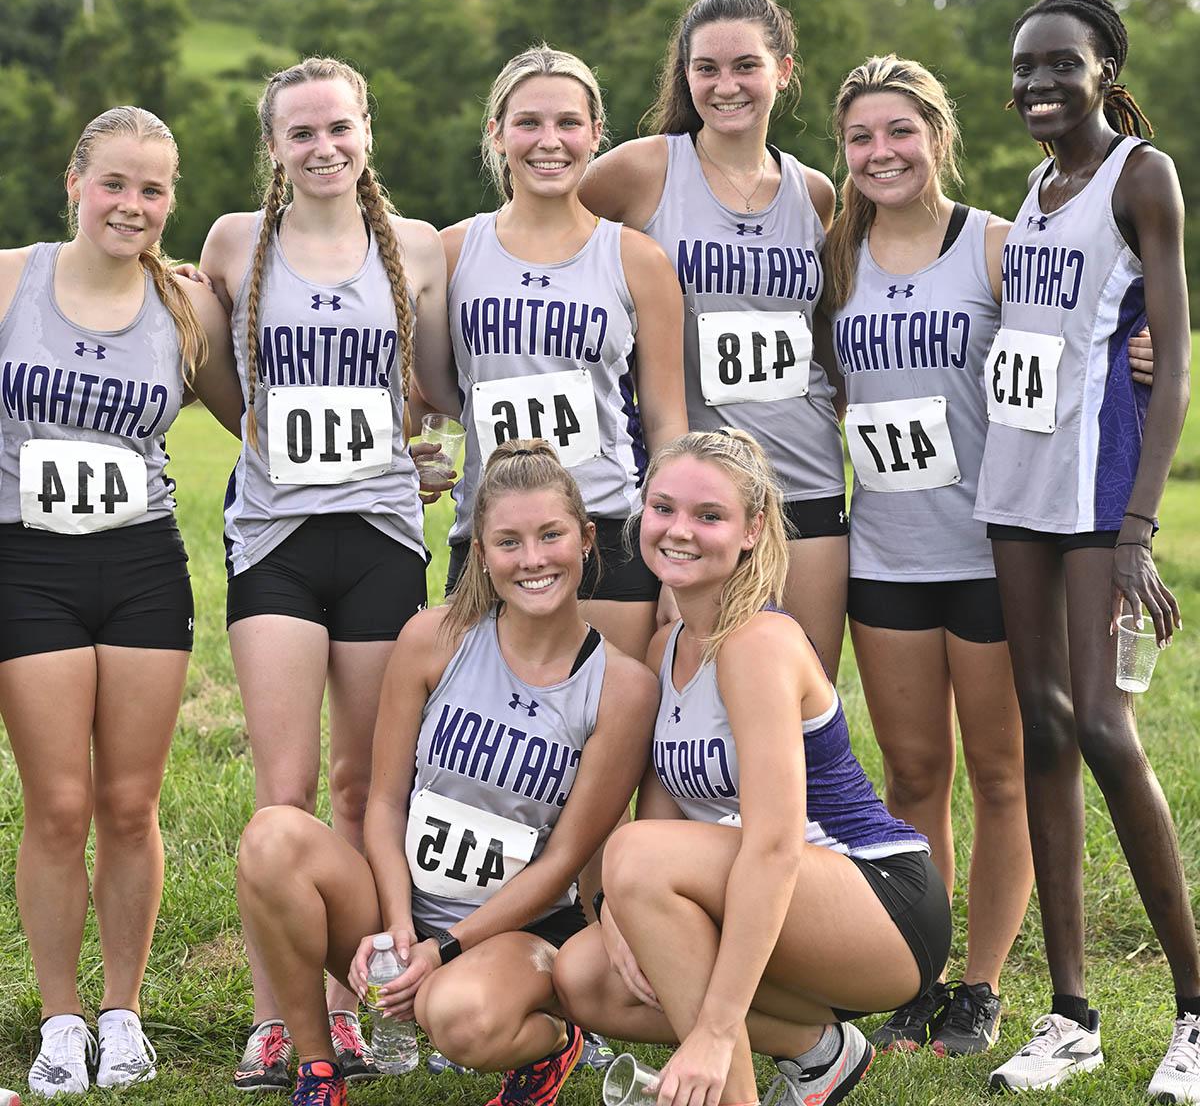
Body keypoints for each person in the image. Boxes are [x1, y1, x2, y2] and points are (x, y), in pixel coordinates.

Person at [236, 439, 659, 1106]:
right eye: (509, 542)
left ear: (585, 538)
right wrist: (401, 928)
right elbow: (384, 803)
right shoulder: (434, 640)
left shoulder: (624, 689)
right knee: (271, 837)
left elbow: (564, 864)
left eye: (550, 536)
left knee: (459, 1019)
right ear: (482, 554)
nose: (532, 560)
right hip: (406, 906)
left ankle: (553, 1045)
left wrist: (448, 949)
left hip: (518, 929)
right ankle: (319, 1067)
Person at [553, 429, 952, 1106]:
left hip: (879, 902)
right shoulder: (664, 648)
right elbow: (663, 826)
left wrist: (713, 1028)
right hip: (777, 900)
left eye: (709, 516)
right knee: (586, 975)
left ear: (751, 530)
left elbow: (771, 848)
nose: (680, 531)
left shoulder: (759, 644)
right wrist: (624, 920)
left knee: (638, 860)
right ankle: (818, 1053)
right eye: (664, 509)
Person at [198, 56, 451, 1090]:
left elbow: (429, 387)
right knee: (283, 792)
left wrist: (418, 450)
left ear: (367, 132)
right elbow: (216, 371)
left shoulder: (418, 247)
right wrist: (261, 437)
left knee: (363, 785)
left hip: (384, 539)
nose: (322, 148)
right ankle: (277, 1017)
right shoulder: (232, 243)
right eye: (300, 133)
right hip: (275, 545)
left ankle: (347, 1008)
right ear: (274, 147)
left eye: (338, 128)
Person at [973, 0, 1197, 1098]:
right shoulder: (1039, 186)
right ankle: (1072, 1014)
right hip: (1016, 483)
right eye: (1023, 70)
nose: (1037, 85)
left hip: (1098, 493)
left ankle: (1197, 1014)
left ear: (1106, 66)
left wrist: (1142, 529)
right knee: (1046, 724)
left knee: (1106, 727)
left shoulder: (1138, 175)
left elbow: (1175, 357)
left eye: (1060, 64)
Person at [0, 106, 242, 1096]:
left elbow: (260, 424)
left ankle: (125, 1015)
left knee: (131, 802)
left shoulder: (189, 306)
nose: (131, 205)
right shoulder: (13, 279)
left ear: (169, 201)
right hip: (28, 565)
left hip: (141, 564)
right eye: (115, 184)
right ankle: (60, 1021)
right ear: (75, 184)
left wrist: (399, 460)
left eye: (151, 189)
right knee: (58, 805)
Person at [823, 54, 1035, 1055]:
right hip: (887, 558)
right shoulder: (836, 260)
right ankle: (920, 970)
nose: (880, 153)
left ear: (938, 136)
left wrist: (1142, 348)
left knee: (1001, 776)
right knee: (912, 777)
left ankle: (982, 985)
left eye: (899, 132)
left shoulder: (994, 247)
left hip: (993, 557)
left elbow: (1070, 359)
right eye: (861, 138)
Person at [579, 0, 848, 677]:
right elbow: (541, 243)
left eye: (745, 66)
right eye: (706, 69)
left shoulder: (814, 192)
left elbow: (833, 327)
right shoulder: (644, 171)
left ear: (782, 71)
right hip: (696, 493)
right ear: (686, 75)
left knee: (800, 697)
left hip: (806, 480)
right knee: (684, 704)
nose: (725, 85)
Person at [432, 44, 689, 663]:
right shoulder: (448, 253)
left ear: (596, 134)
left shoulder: (637, 259)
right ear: (496, 134)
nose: (550, 140)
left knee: (612, 733)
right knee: (489, 742)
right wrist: (422, 447)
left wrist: (674, 558)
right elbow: (428, 396)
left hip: (607, 528)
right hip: (490, 530)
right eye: (529, 122)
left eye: (569, 123)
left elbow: (665, 422)